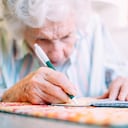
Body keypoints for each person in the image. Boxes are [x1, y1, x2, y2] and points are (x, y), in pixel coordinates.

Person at [1, 0, 128, 104]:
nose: (57, 54)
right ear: (20, 30)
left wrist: (123, 85)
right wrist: (12, 94)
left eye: (66, 36)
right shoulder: (3, 38)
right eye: (43, 39)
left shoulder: (94, 27)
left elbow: (121, 77)